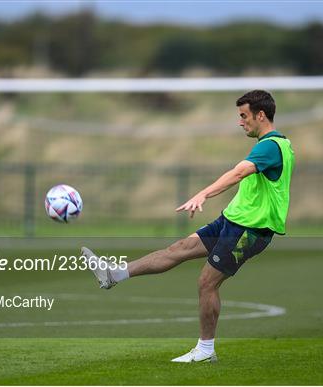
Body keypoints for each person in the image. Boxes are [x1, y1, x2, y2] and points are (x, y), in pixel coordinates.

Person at [81, 89, 295, 363]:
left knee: (207, 282)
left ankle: (206, 351)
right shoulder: (279, 145)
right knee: (179, 248)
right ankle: (113, 275)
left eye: (244, 116)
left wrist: (203, 193)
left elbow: (238, 173)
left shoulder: (270, 145)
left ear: (260, 115)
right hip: (232, 221)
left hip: (250, 230)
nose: (241, 122)